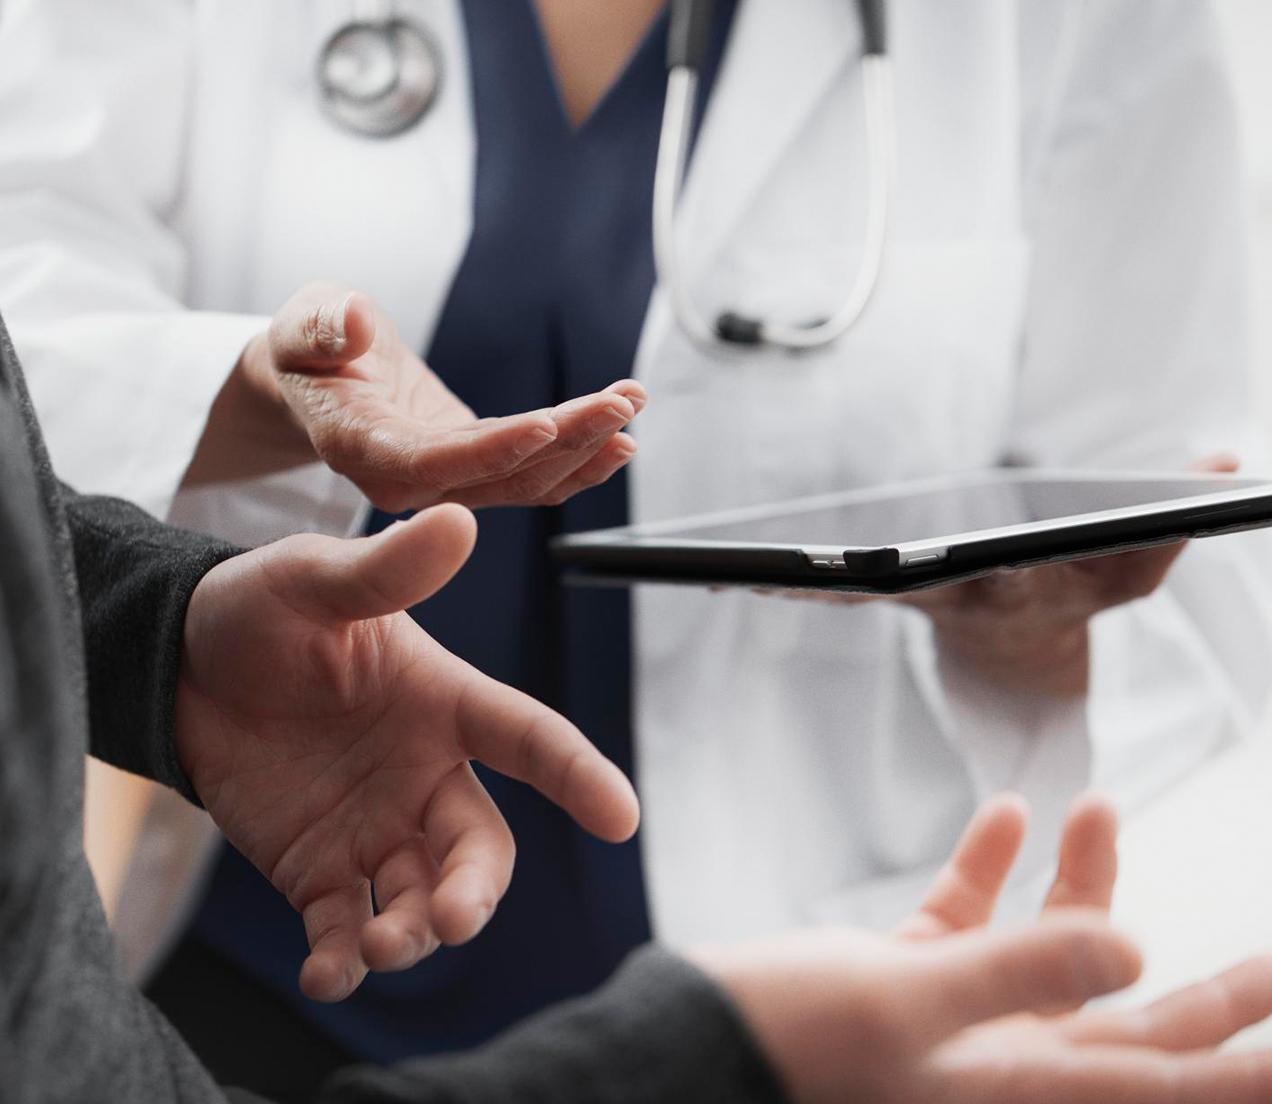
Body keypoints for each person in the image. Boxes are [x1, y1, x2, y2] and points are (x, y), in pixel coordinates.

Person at [1, 0, 1268, 1093]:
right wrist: (252, 388)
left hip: (821, 990)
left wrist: (1050, 642)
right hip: (285, 961)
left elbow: (1213, 543)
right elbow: (23, 321)